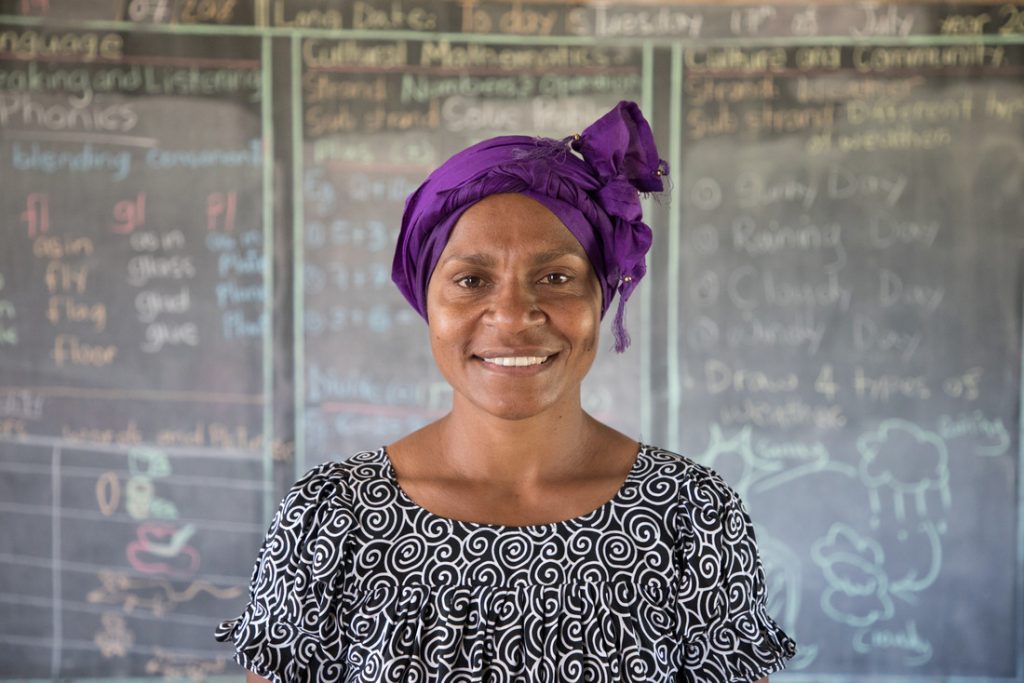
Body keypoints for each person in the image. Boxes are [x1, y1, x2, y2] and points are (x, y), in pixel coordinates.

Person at [215, 101, 796, 682]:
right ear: (427, 302)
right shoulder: (329, 520)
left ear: (604, 298)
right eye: (471, 280)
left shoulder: (690, 515)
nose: (515, 316)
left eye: (556, 277)